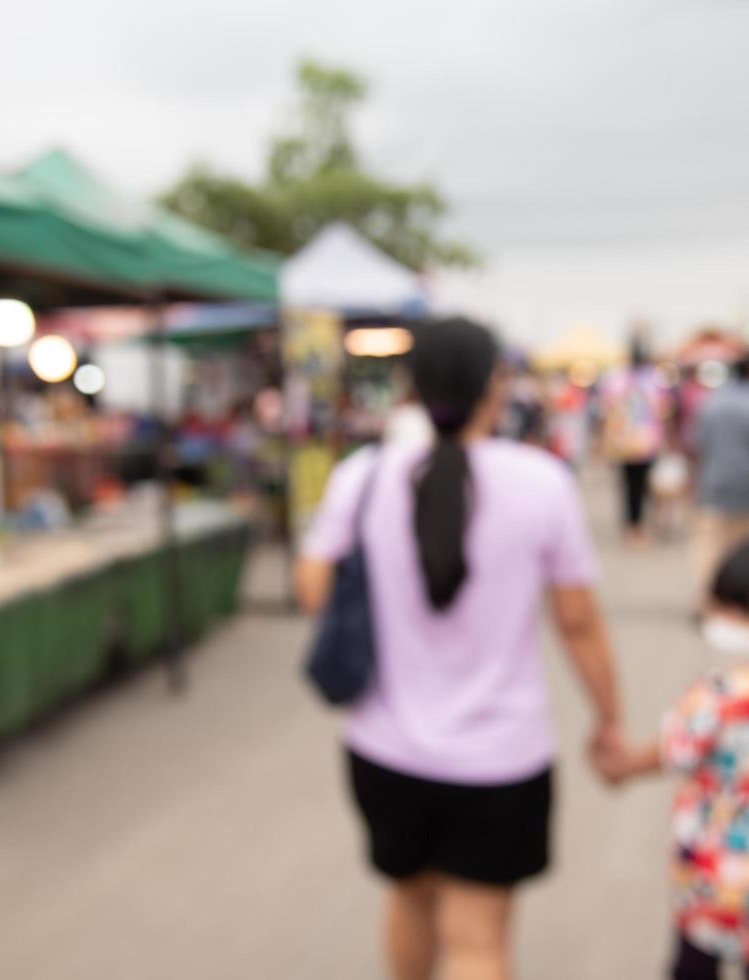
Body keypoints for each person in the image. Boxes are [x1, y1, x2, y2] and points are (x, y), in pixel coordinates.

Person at [295, 317, 625, 980]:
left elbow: (314, 594)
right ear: (496, 387)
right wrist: (608, 721)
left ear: (412, 387)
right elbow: (578, 623)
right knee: (478, 940)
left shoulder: (362, 477)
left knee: (410, 901)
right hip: (500, 758)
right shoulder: (542, 483)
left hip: (384, 748)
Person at [600, 539, 749, 980]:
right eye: (724, 606)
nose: (729, 622)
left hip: (720, 874)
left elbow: (675, 748)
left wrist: (621, 766)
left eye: (747, 611)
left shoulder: (722, 691)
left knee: (694, 966)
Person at [690, 354, 749, 611]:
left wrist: (695, 484)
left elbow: (698, 448)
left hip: (713, 483)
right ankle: (740, 603)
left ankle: (707, 602)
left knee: (710, 547)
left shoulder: (712, 402)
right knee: (745, 549)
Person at [602, 342, 670, 545]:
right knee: (641, 486)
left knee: (630, 486)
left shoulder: (617, 380)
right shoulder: (653, 381)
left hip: (626, 442)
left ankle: (633, 526)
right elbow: (662, 410)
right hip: (643, 442)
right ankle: (636, 527)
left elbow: (608, 410)